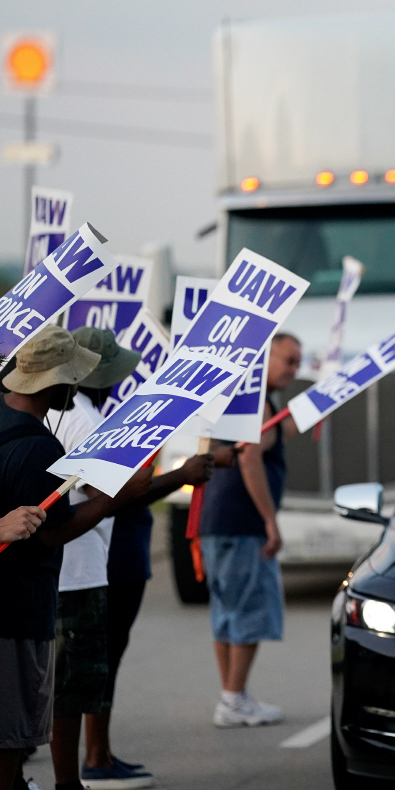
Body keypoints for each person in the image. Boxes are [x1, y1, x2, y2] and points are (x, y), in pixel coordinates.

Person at [76, 331, 237, 787]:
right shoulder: (86, 420)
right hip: (113, 551)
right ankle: (95, 758)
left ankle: (99, 752)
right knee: (101, 658)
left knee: (106, 656)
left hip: (119, 548)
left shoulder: (95, 415)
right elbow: (115, 498)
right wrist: (180, 476)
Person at [0, 328, 149, 790]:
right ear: (56, 384)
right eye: (72, 377)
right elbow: (53, 533)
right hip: (17, 614)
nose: (77, 386)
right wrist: (112, 497)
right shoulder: (40, 447)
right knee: (10, 743)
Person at [44, 329, 143, 790]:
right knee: (70, 689)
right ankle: (74, 778)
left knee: (60, 684)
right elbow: (102, 495)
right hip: (77, 570)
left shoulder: (69, 413)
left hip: (64, 568)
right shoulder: (84, 421)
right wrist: (161, 478)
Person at [199, 333, 301, 728]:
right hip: (241, 522)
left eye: (297, 362)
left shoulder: (251, 400)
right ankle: (233, 699)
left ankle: (232, 695)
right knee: (247, 609)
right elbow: (251, 459)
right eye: (288, 360)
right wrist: (270, 521)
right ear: (266, 356)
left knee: (227, 611)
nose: (293, 369)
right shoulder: (256, 401)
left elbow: (274, 436)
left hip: (218, 519)